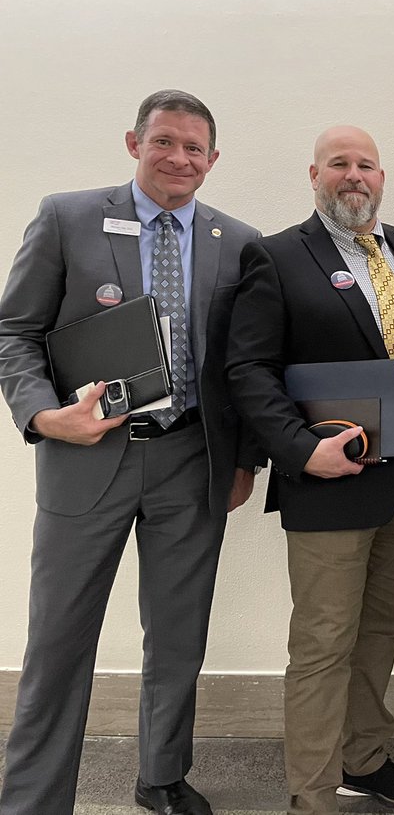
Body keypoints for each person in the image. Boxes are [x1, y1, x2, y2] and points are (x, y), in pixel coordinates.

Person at [0, 90, 261, 815]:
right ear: (133, 143)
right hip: (87, 459)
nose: (179, 158)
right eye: (164, 142)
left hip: (190, 462)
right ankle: (33, 799)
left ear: (213, 159)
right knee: (59, 641)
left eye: (194, 148)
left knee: (178, 638)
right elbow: (14, 333)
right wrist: (45, 417)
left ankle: (162, 778)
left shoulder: (237, 242)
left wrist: (243, 460)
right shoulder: (68, 217)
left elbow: (243, 365)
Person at [225, 126, 394, 815]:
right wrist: (298, 448)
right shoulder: (278, 255)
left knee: (383, 626)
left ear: (383, 177)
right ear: (314, 174)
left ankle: (365, 758)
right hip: (329, 479)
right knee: (323, 640)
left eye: (367, 165)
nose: (355, 175)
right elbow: (248, 369)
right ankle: (313, 792)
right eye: (340, 164)